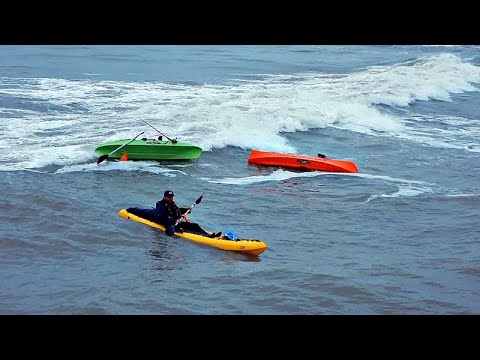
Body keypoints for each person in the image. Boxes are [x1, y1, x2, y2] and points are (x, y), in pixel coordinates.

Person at [154, 190, 221, 238]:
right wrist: (174, 221)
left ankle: (208, 235)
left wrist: (187, 210)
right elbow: (160, 217)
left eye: (172, 196)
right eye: (169, 197)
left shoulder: (171, 203)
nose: (171, 198)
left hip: (176, 222)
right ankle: (207, 237)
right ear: (165, 197)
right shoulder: (161, 205)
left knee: (195, 225)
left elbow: (178, 210)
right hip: (169, 224)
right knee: (190, 228)